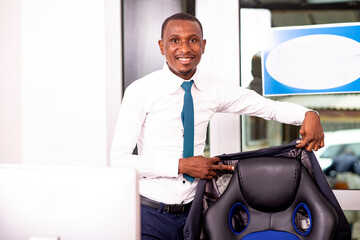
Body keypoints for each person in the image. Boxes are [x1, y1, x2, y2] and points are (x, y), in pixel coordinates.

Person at [110, 12, 324, 240]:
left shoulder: (214, 89)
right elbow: (119, 160)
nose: (184, 48)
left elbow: (267, 108)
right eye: (175, 40)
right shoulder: (140, 91)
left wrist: (308, 114)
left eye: (192, 40)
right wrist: (181, 166)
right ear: (162, 46)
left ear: (202, 45)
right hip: (150, 214)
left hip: (195, 213)